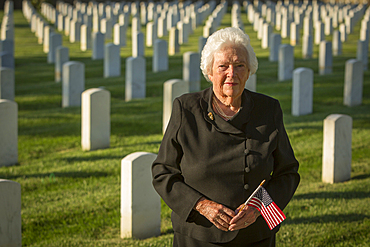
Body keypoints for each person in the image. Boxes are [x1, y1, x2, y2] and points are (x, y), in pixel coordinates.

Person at [151, 27, 300, 247]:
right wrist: (201, 205)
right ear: (210, 71)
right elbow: (163, 172)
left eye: (240, 65)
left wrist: (259, 207)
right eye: (223, 66)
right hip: (198, 236)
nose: (232, 73)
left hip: (254, 235)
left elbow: (287, 173)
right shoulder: (186, 109)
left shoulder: (268, 109)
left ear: (249, 71)